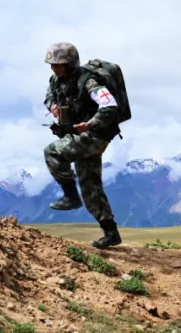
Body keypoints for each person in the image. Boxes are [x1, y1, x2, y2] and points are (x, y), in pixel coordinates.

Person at [42, 42, 122, 249]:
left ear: (69, 64)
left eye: (58, 64)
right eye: (52, 64)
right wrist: (53, 106)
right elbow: (49, 96)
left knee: (52, 152)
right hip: (82, 135)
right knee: (90, 185)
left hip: (95, 135)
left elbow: (109, 105)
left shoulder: (88, 81)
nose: (54, 68)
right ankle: (111, 233)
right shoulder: (56, 81)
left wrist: (90, 124)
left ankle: (70, 197)